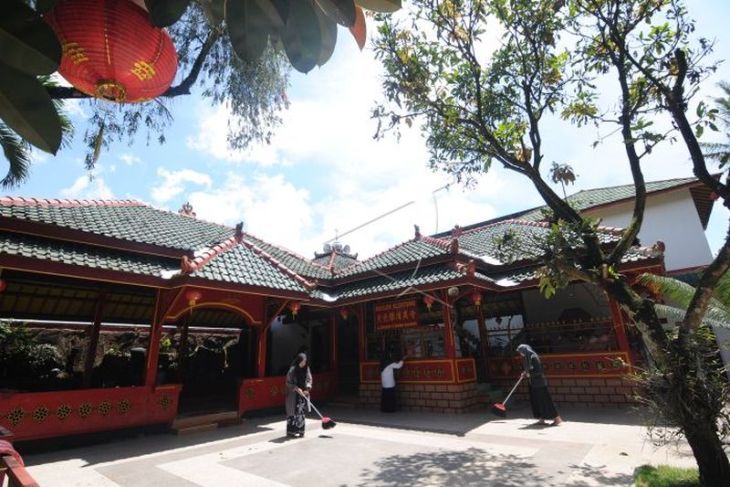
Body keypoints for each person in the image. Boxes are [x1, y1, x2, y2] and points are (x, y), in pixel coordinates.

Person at [517, 344, 562, 426]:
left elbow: (538, 371)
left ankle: (557, 418)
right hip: (533, 383)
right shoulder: (528, 358)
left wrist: (529, 375)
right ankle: (542, 418)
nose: (520, 354)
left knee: (545, 401)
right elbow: (529, 369)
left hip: (540, 383)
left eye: (521, 352)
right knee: (537, 402)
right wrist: (525, 372)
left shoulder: (533, 357)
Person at [285, 353, 312, 437]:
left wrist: (307, 388)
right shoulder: (292, 370)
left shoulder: (306, 368)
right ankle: (291, 432)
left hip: (303, 395)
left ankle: (300, 431)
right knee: (292, 413)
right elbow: (288, 382)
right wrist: (296, 388)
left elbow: (309, 379)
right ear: (299, 360)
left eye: (305, 361)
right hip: (293, 395)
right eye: (302, 361)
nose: (304, 363)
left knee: (301, 413)